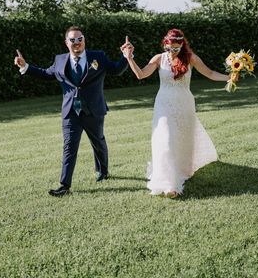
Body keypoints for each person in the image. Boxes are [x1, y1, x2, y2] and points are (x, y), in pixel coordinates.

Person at [14, 26, 130, 197]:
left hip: (93, 110)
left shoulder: (97, 57)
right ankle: (64, 185)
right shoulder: (60, 60)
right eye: (73, 40)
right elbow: (46, 74)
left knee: (98, 142)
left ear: (84, 40)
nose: (77, 43)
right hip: (70, 113)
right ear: (66, 42)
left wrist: (126, 56)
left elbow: (117, 69)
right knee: (69, 147)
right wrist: (26, 67)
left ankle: (103, 171)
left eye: (80, 39)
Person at [122, 28, 229, 198]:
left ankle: (182, 170)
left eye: (176, 48)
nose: (171, 52)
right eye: (169, 48)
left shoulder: (190, 58)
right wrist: (129, 58)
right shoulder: (159, 59)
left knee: (182, 139)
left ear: (182, 45)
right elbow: (141, 75)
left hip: (184, 104)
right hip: (163, 105)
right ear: (165, 44)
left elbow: (209, 73)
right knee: (165, 139)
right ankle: (170, 184)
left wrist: (229, 77)